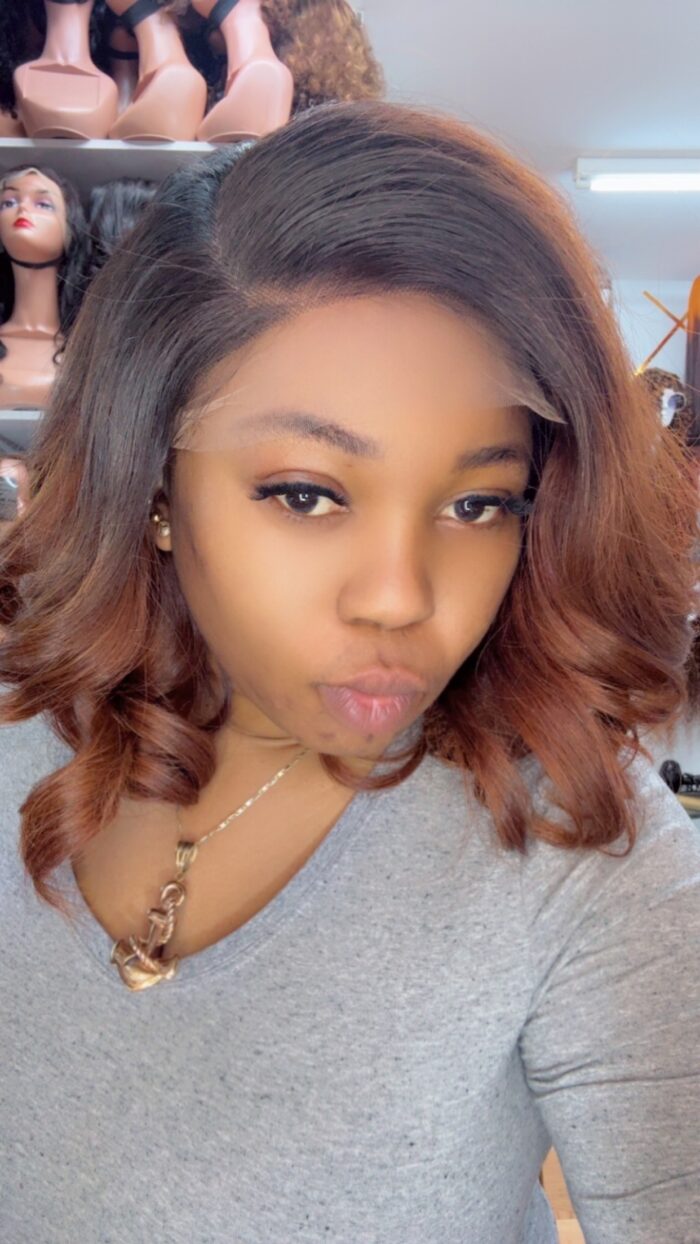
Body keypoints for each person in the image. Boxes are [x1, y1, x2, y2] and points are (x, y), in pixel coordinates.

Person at [0, 101, 699, 1243]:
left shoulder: (574, 840)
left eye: (479, 503)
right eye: (307, 493)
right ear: (155, 483)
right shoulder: (18, 729)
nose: (400, 597)